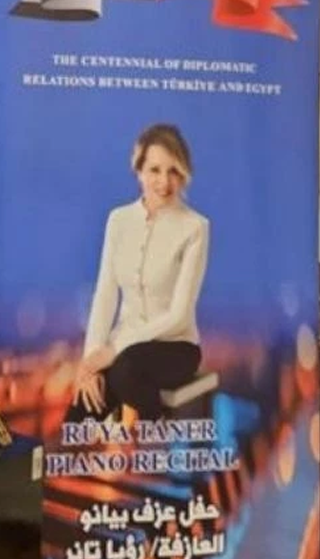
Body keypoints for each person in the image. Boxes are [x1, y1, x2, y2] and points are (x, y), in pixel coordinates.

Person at [71, 124, 210, 423]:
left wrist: (113, 350)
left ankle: (154, 433)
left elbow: (179, 316)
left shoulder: (195, 227)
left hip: (176, 347)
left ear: (184, 173)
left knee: (125, 369)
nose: (164, 181)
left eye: (173, 171)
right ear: (139, 171)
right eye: (154, 170)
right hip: (124, 347)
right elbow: (105, 294)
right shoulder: (119, 220)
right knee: (79, 415)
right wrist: (91, 359)